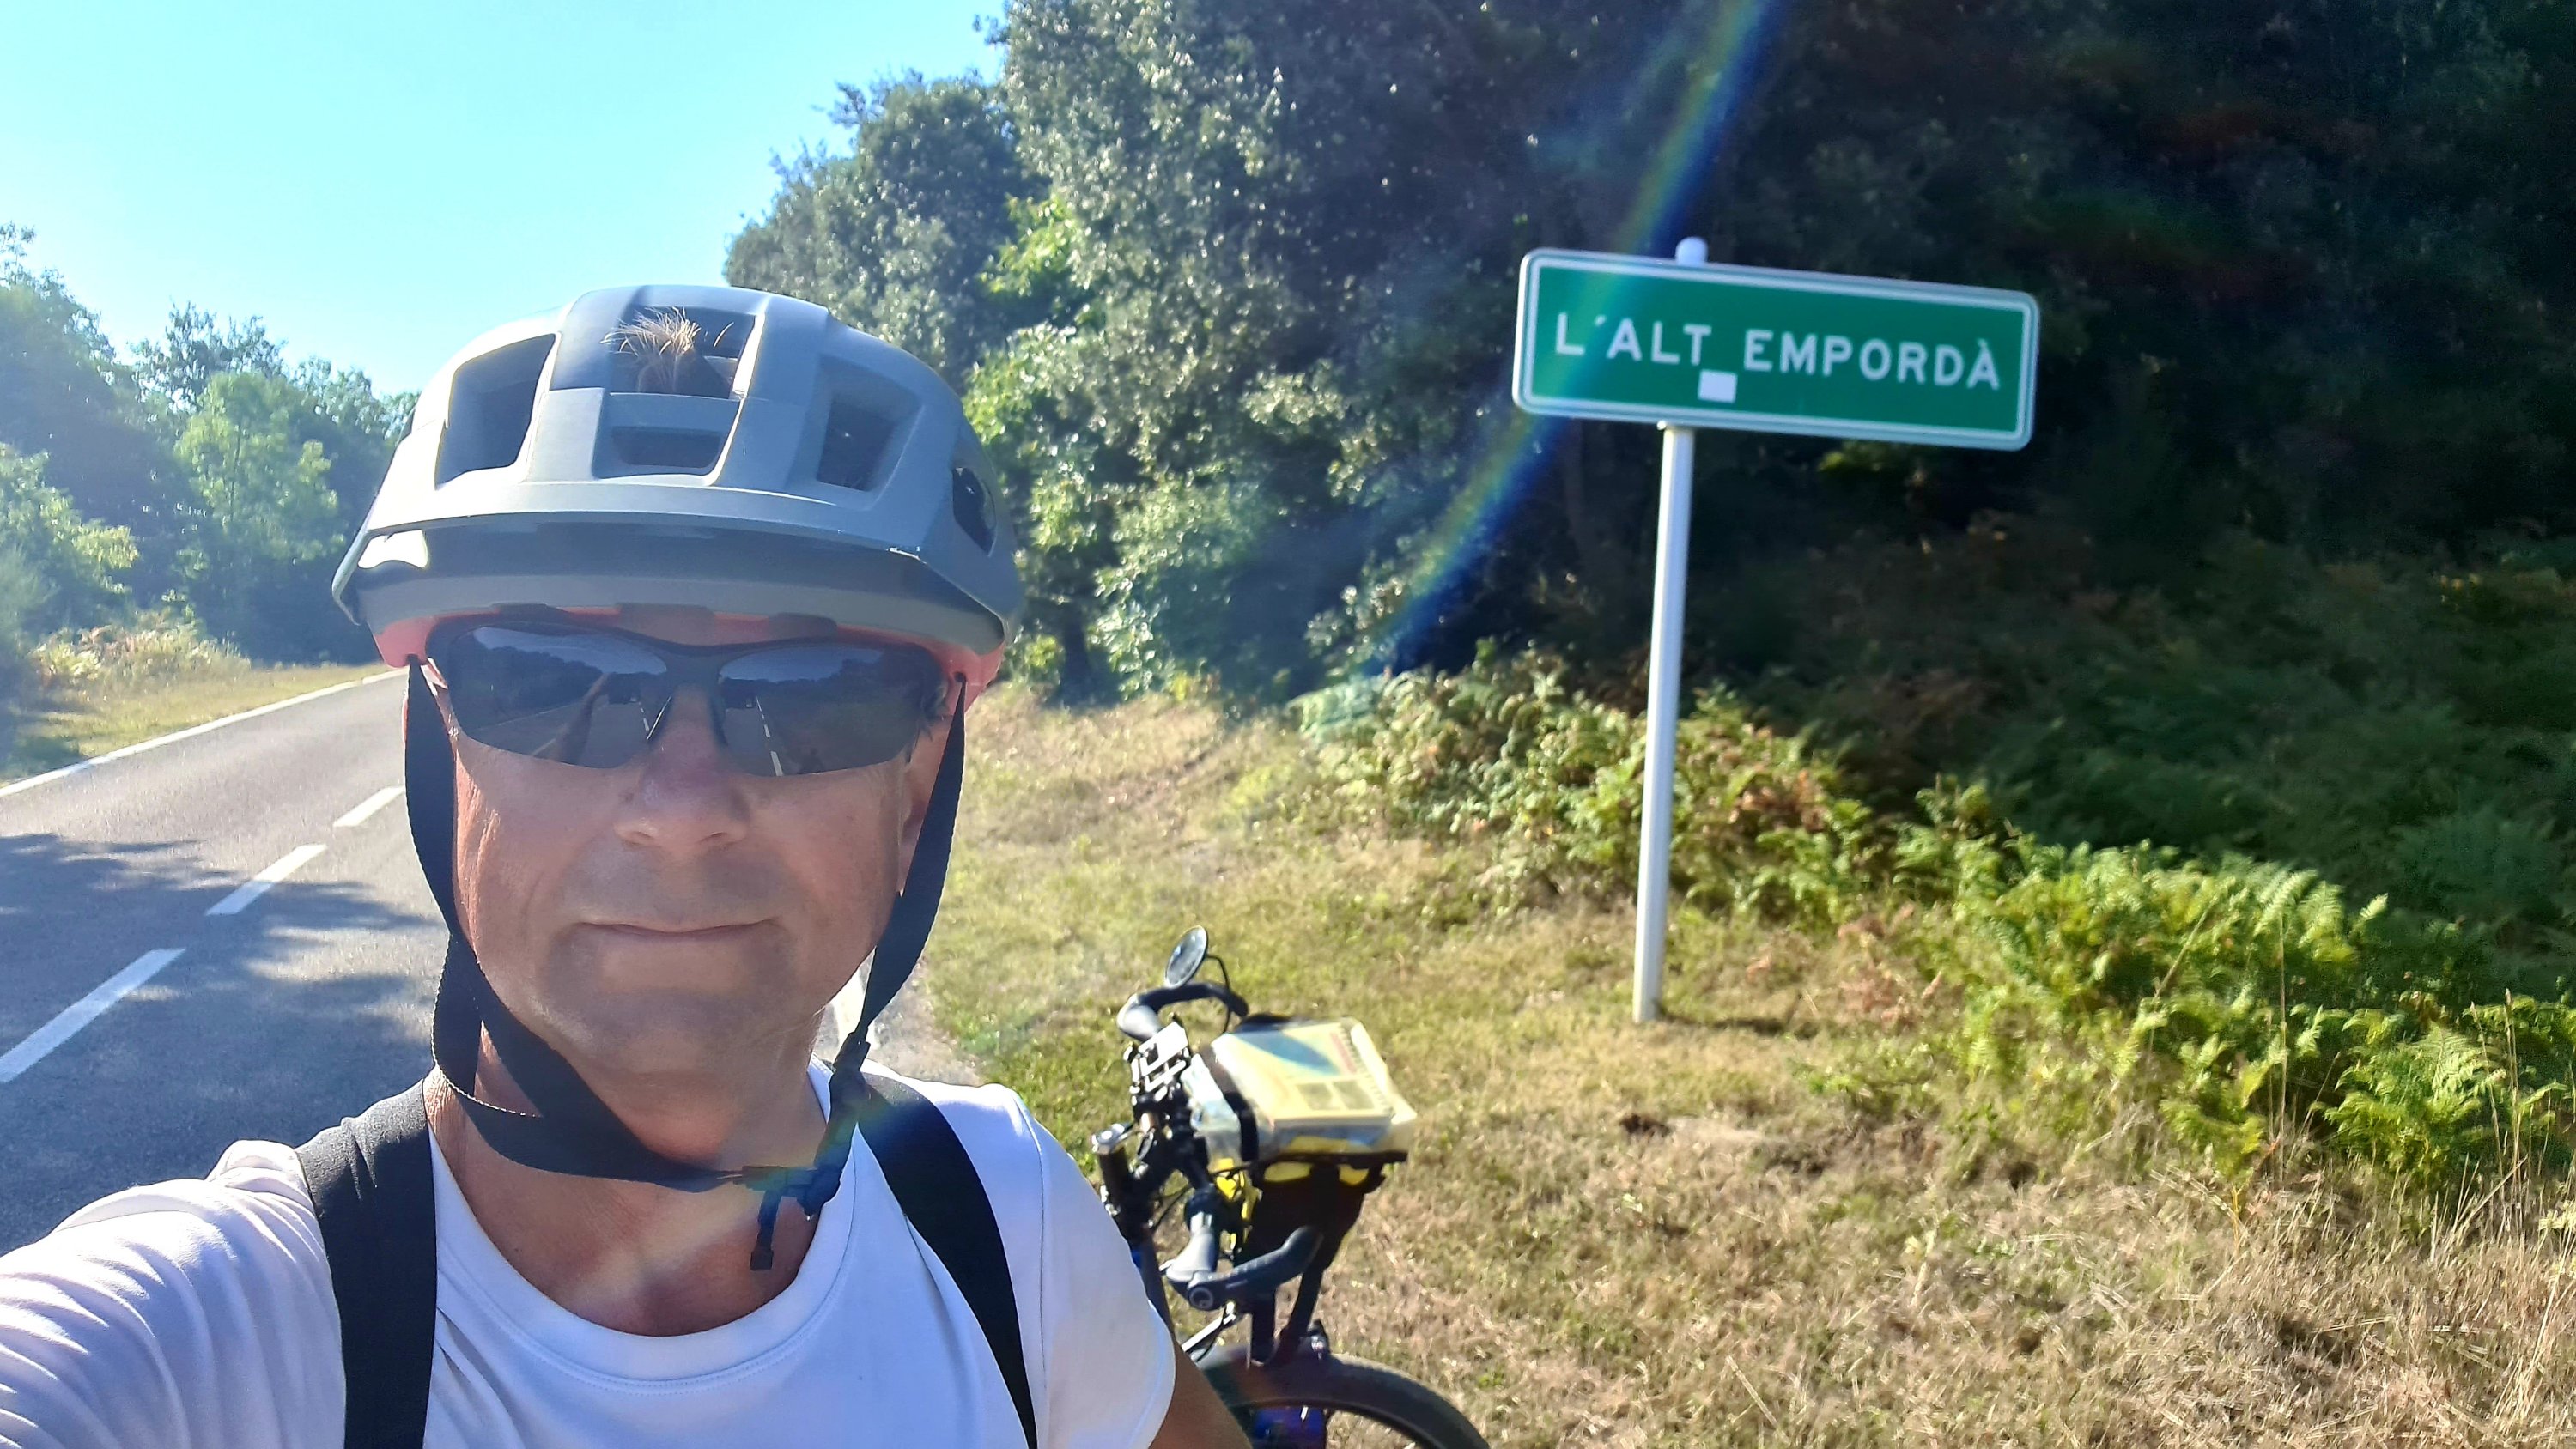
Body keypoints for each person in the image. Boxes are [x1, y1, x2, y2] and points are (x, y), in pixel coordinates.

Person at [0, 287, 1251, 1449]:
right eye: (552, 684)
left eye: (816, 700)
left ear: (917, 795)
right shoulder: (213, 1334)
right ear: (439, 747)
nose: (683, 810)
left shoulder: (1003, 1222)